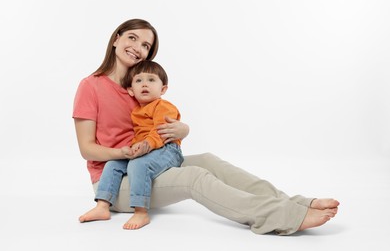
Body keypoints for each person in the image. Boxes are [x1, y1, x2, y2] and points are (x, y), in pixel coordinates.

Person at [74, 18, 339, 235]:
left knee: (208, 161)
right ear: (116, 38)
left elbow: (160, 125)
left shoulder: (144, 89)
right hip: (115, 185)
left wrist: (182, 130)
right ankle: (283, 216)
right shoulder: (91, 86)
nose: (137, 47)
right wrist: (125, 153)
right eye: (132, 38)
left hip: (148, 163)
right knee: (194, 178)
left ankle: (295, 202)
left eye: (146, 45)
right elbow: (87, 149)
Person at [81, 60, 184, 230]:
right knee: (113, 164)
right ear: (130, 90)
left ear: (163, 89)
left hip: (167, 149)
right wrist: (135, 148)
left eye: (151, 80)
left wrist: (146, 145)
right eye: (139, 81)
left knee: (138, 164)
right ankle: (102, 206)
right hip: (145, 150)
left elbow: (161, 131)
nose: (145, 84)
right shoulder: (136, 111)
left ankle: (141, 212)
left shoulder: (163, 106)